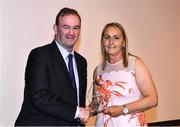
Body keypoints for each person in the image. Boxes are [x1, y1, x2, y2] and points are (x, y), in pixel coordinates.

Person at [15, 7, 89, 126]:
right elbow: (39, 97)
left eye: (76, 28)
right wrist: (77, 112)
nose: (72, 32)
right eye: (66, 27)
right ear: (55, 29)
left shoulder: (82, 62)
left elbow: (76, 102)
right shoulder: (39, 56)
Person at [90, 22, 158, 127]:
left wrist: (123, 109)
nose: (111, 42)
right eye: (107, 37)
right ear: (102, 42)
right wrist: (84, 111)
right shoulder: (98, 70)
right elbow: (97, 104)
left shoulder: (135, 64)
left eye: (116, 38)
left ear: (124, 42)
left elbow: (152, 100)